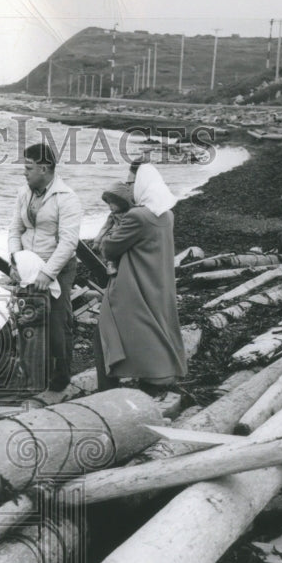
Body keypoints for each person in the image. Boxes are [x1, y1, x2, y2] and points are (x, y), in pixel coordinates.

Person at [91, 160, 186, 393]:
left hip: (131, 284)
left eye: (132, 183)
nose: (130, 188)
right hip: (157, 281)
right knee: (153, 330)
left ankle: (107, 391)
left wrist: (107, 235)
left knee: (105, 332)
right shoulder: (167, 214)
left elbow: (109, 248)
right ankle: (155, 378)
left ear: (143, 184)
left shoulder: (138, 216)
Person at [7, 143, 81, 392]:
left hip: (57, 267)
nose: (24, 172)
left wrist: (47, 273)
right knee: (27, 319)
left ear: (45, 168)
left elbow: (69, 242)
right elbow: (15, 230)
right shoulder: (24, 193)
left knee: (58, 321)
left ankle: (61, 375)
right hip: (27, 268)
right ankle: (33, 373)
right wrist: (15, 261)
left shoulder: (67, 198)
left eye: (29, 168)